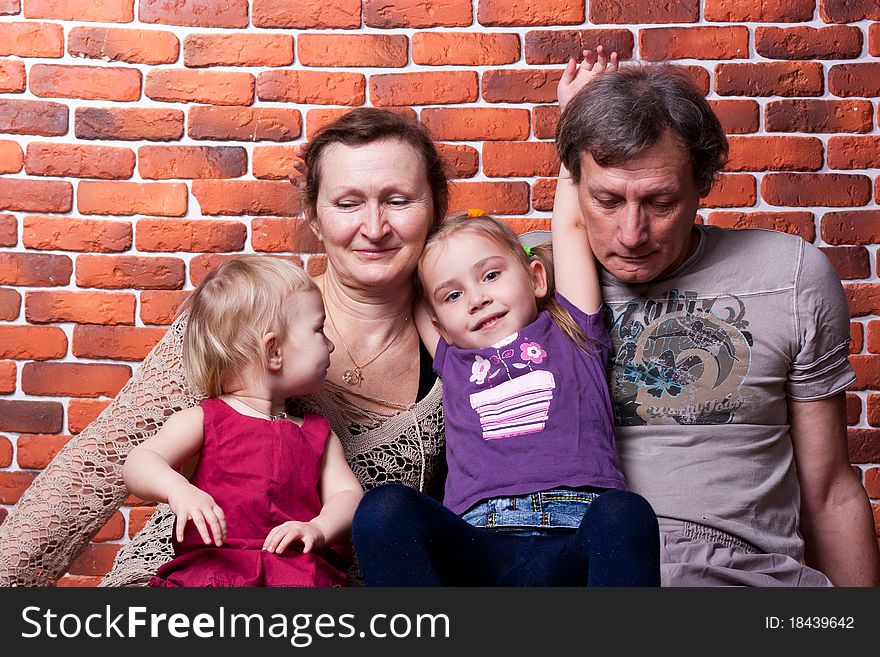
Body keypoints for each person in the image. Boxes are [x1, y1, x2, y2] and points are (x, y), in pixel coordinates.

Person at [0, 108, 448, 586]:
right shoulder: (242, 322)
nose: (375, 227)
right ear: (314, 218)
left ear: (435, 209)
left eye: (399, 201)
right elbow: (91, 476)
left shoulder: (473, 348)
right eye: (347, 203)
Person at [548, 62, 880, 586]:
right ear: (576, 185)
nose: (631, 233)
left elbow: (830, 491)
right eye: (607, 201)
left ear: (702, 185)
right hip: (589, 573)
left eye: (661, 202)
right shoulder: (533, 288)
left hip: (739, 580)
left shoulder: (790, 276)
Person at [351, 51, 661, 587]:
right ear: (437, 321)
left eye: (491, 275)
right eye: (452, 295)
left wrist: (579, 115)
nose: (475, 298)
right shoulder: (452, 354)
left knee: (627, 514)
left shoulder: (572, 329)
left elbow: (569, 227)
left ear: (537, 279)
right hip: (481, 551)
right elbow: (406, 270)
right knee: (381, 511)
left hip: (576, 541)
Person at [122, 256, 362, 587]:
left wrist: (319, 528)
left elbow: (348, 495)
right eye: (319, 329)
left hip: (296, 575)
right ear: (273, 350)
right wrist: (178, 490)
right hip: (214, 574)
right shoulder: (205, 420)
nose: (331, 344)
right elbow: (139, 461)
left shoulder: (318, 433)